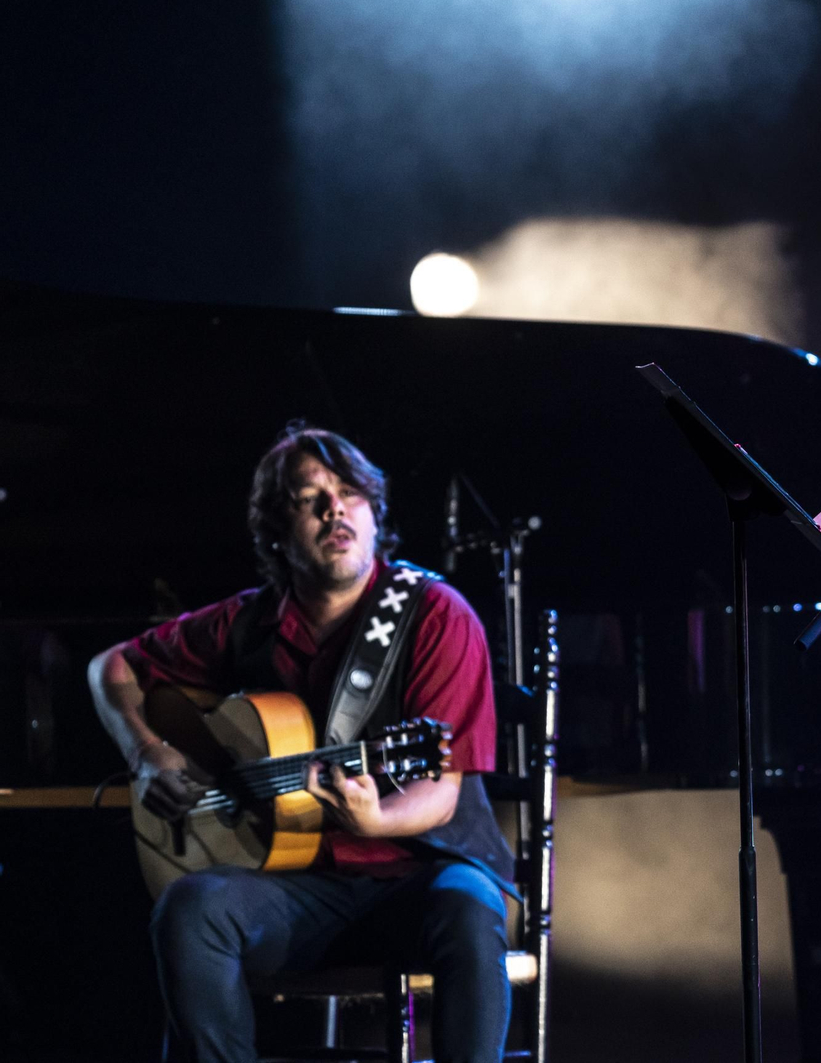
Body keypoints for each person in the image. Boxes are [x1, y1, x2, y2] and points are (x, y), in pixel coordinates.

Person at [87, 427, 514, 1063]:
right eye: (308, 499)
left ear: (375, 514)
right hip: (293, 888)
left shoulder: (435, 615)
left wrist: (377, 819)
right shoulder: (247, 623)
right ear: (276, 532)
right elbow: (111, 667)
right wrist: (144, 751)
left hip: (419, 875)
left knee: (471, 912)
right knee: (189, 908)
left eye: (349, 493)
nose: (334, 510)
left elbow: (440, 789)